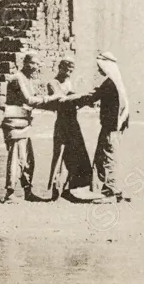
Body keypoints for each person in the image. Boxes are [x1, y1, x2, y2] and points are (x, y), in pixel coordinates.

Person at [72, 51, 131, 204]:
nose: (99, 69)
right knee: (105, 157)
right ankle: (112, 191)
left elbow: (92, 97)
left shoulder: (109, 84)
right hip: (113, 128)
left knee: (107, 158)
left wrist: (71, 100)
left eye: (100, 66)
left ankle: (110, 193)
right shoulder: (115, 83)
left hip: (110, 128)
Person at [0, 52, 49, 203]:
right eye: (33, 63)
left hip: (24, 123)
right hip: (14, 124)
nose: (35, 67)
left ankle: (28, 192)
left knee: (28, 159)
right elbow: (28, 99)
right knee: (15, 158)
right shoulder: (17, 78)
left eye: (37, 64)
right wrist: (49, 99)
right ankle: (10, 194)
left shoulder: (27, 79)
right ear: (25, 63)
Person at [45, 59, 93, 202]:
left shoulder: (69, 83)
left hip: (73, 123)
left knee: (76, 155)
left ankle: (69, 189)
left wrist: (84, 101)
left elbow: (73, 101)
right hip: (62, 123)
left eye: (71, 71)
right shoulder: (53, 83)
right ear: (59, 68)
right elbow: (60, 100)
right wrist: (80, 97)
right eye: (66, 70)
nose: (68, 73)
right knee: (59, 156)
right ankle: (55, 191)